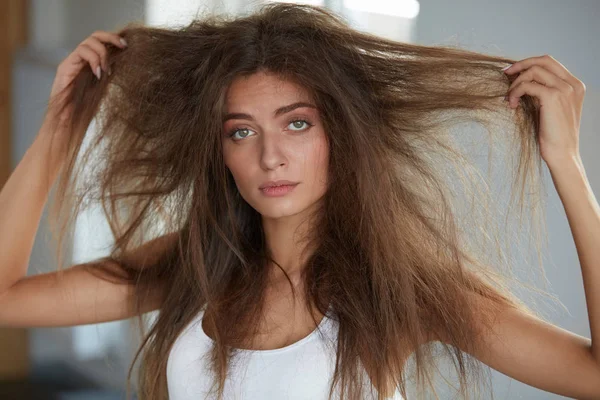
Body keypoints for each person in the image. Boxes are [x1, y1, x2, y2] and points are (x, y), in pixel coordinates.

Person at [0, 2, 596, 400]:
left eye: (298, 124)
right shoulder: (199, 263)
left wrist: (566, 164)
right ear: (221, 152)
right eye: (241, 131)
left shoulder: (400, 286)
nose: (270, 156)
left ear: (341, 133)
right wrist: (61, 127)